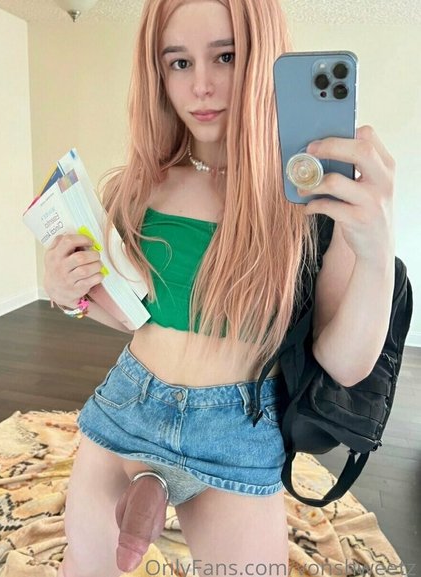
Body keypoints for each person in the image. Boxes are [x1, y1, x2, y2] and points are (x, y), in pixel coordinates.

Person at [44, 0, 396, 576]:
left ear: (264, 58)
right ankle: (143, 497)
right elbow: (137, 314)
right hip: (129, 405)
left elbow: (346, 365)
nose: (201, 86)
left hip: (237, 429)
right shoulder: (140, 186)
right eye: (179, 62)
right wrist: (68, 295)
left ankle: (151, 500)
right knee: (84, 566)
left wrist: (377, 251)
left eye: (226, 56)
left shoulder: (312, 202)